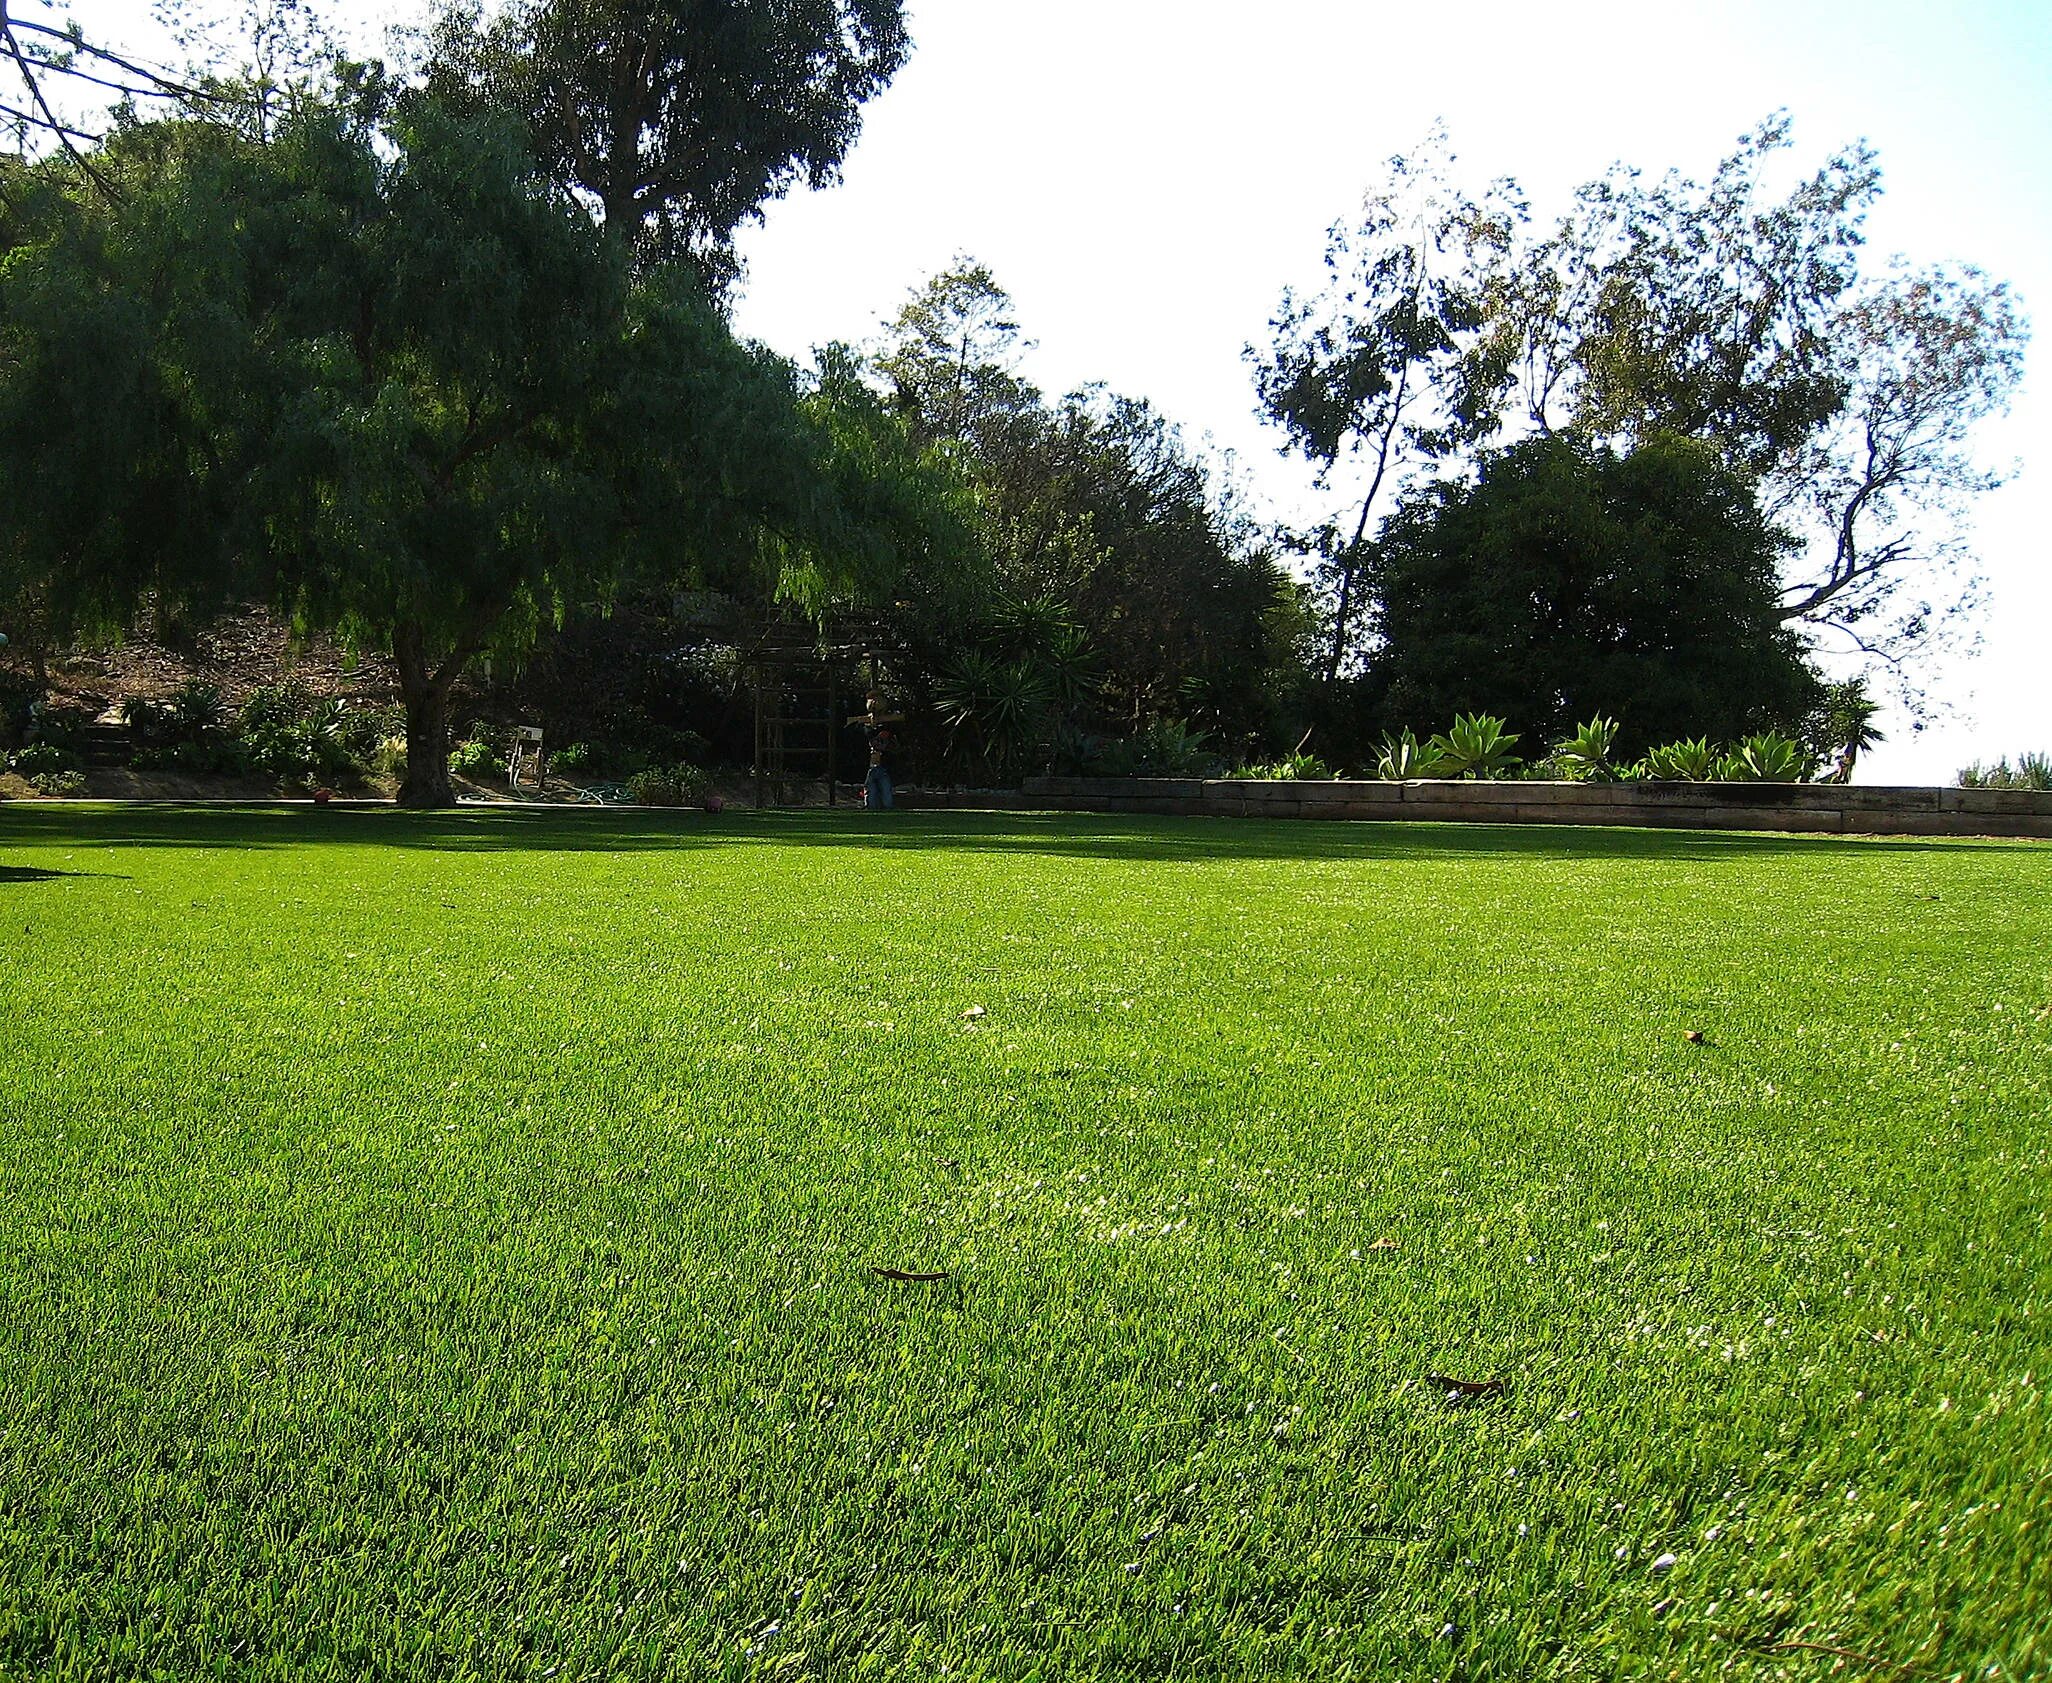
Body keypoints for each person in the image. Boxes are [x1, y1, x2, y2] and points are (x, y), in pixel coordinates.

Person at [848, 692, 904, 810]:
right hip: (870, 765)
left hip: (883, 765)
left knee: (885, 791)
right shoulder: (864, 727)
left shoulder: (889, 725)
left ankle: (886, 808)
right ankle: (871, 807)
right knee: (870, 791)